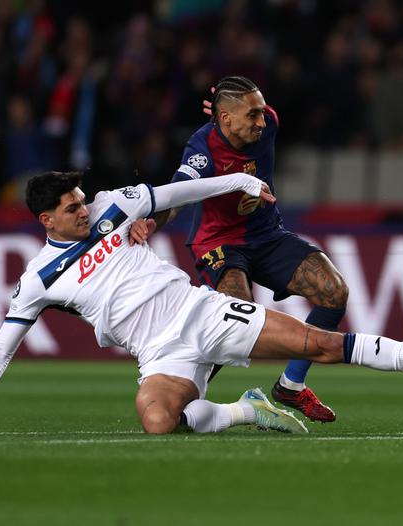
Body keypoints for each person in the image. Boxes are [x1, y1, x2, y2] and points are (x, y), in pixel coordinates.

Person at [0, 170, 403, 435]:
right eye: (69, 207)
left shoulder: (113, 208)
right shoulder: (38, 278)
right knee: (157, 420)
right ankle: (251, 409)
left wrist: (236, 182)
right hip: (157, 352)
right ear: (45, 220)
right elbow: (4, 344)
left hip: (200, 311)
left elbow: (178, 193)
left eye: (80, 200)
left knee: (318, 345)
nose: (82, 209)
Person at [129, 76, 347, 423]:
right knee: (236, 313)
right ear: (226, 119)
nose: (262, 122)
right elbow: (178, 193)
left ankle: (290, 385)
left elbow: (248, 108)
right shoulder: (201, 149)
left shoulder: (267, 122)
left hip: (267, 236)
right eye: (252, 115)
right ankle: (178, 390)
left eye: (262, 113)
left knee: (334, 291)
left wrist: (230, 107)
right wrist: (153, 222)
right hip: (219, 243)